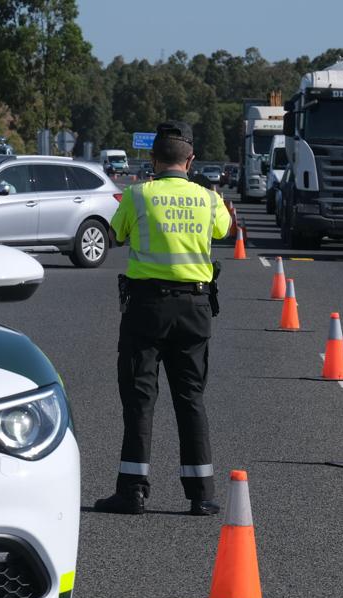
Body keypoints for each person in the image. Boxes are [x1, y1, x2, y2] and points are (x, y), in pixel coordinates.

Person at [94, 121, 231, 516]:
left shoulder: (138, 196)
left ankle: (132, 491)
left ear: (153, 160)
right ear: (190, 160)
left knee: (139, 400)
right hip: (195, 308)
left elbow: (117, 235)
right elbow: (224, 230)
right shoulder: (208, 199)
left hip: (146, 308)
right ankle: (201, 494)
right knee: (191, 399)